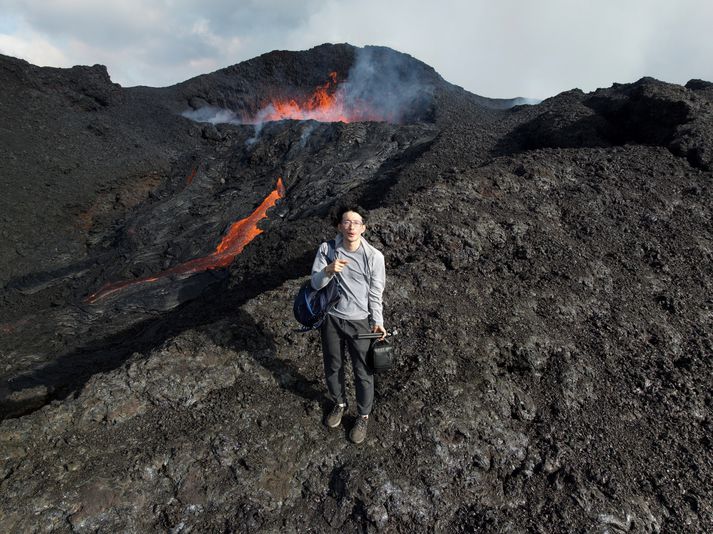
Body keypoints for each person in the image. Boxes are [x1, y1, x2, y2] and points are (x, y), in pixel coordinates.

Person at [310, 205, 386, 444]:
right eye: (346, 222)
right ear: (339, 226)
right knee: (333, 364)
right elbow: (314, 283)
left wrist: (378, 321)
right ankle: (339, 403)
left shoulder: (374, 256)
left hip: (359, 322)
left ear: (364, 227)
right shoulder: (327, 250)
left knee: (363, 370)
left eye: (356, 222)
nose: (351, 227)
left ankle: (363, 415)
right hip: (331, 318)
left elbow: (376, 293)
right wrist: (328, 270)